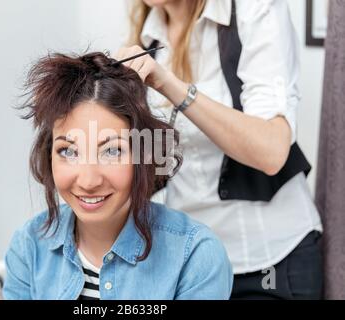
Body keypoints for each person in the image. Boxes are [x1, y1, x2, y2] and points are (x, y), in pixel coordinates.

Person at [116, 0, 323, 299]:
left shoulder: (255, 10)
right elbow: (158, 164)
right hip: (193, 265)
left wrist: (171, 86)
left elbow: (271, 151)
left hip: (270, 263)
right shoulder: (148, 40)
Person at [2, 52, 233, 300]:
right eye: (68, 151)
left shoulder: (196, 256)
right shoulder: (28, 248)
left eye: (112, 151)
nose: (88, 182)